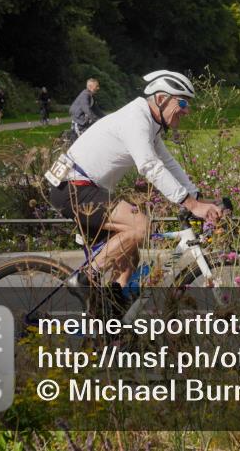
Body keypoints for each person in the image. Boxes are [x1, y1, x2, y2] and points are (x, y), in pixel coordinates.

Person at [46, 70, 225, 309]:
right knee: (140, 226)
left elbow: (168, 163)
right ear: (161, 99)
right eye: (182, 102)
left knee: (129, 263)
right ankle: (84, 278)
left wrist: (197, 198)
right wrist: (190, 205)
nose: (186, 110)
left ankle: (110, 325)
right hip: (71, 188)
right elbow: (149, 166)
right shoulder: (135, 118)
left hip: (87, 188)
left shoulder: (151, 123)